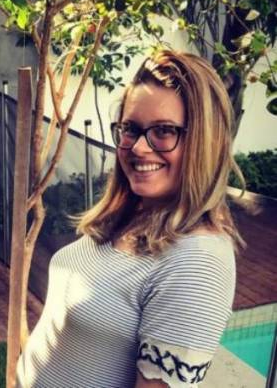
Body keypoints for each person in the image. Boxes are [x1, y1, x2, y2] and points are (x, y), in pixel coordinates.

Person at [17, 50, 244, 387]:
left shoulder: (199, 263)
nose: (138, 147)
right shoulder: (134, 214)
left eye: (164, 130)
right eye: (130, 129)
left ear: (204, 141)